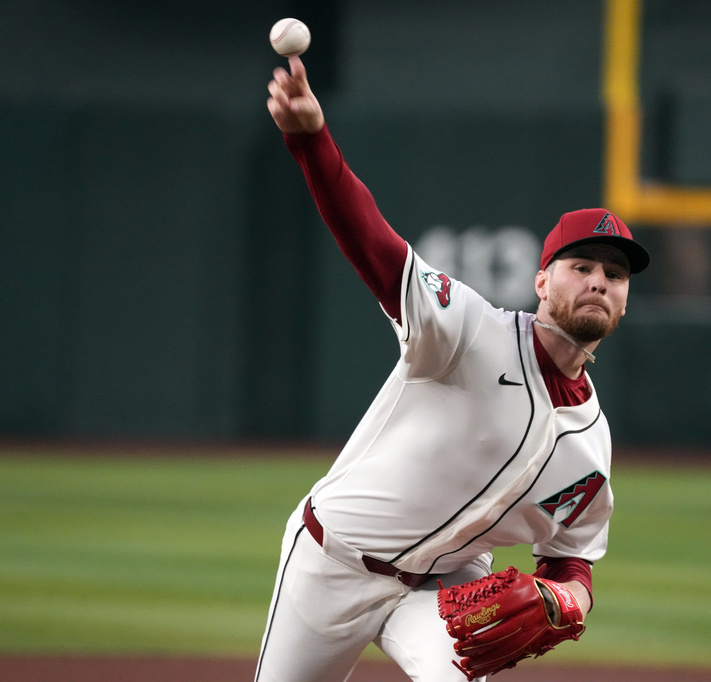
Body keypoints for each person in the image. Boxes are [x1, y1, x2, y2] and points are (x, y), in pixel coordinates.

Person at [256, 56, 650, 682]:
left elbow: (572, 564)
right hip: (333, 563)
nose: (600, 281)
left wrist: (562, 599)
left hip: (439, 595)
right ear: (542, 280)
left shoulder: (591, 449)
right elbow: (375, 246)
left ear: (625, 299)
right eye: (583, 267)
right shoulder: (470, 332)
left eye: (616, 274)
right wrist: (310, 140)